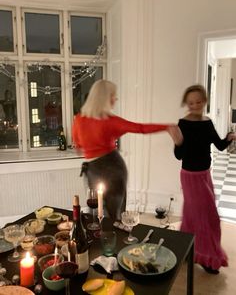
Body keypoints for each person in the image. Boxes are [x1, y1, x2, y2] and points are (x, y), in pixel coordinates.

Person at [72, 79, 180, 221]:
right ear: (105, 98)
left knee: (97, 210)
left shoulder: (79, 119)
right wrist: (166, 127)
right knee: (112, 211)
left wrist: (91, 144)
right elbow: (140, 128)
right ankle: (113, 237)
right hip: (111, 167)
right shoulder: (110, 121)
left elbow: (78, 148)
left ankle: (104, 237)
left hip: (92, 169)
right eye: (113, 95)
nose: (115, 98)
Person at [174, 84, 236, 274]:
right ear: (187, 103)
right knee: (208, 217)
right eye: (191, 102)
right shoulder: (183, 124)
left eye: (198, 101)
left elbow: (219, 145)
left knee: (193, 215)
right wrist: (177, 141)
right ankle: (206, 257)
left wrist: (229, 137)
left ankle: (188, 250)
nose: (194, 105)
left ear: (204, 102)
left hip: (205, 174)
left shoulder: (207, 122)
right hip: (190, 176)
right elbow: (179, 155)